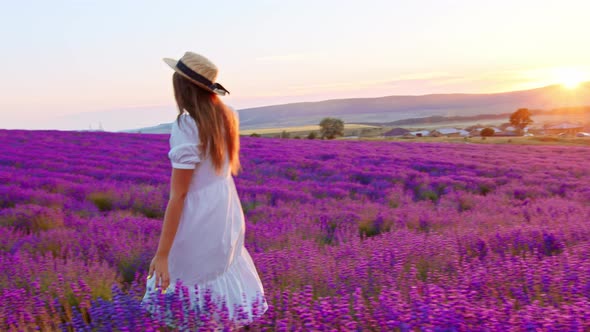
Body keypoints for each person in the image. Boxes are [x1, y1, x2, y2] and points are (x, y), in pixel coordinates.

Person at [141, 51, 268, 329]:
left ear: (181, 87)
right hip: (225, 210)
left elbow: (179, 196)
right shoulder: (228, 115)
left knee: (187, 279)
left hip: (197, 217)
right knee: (218, 271)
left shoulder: (186, 126)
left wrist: (162, 255)